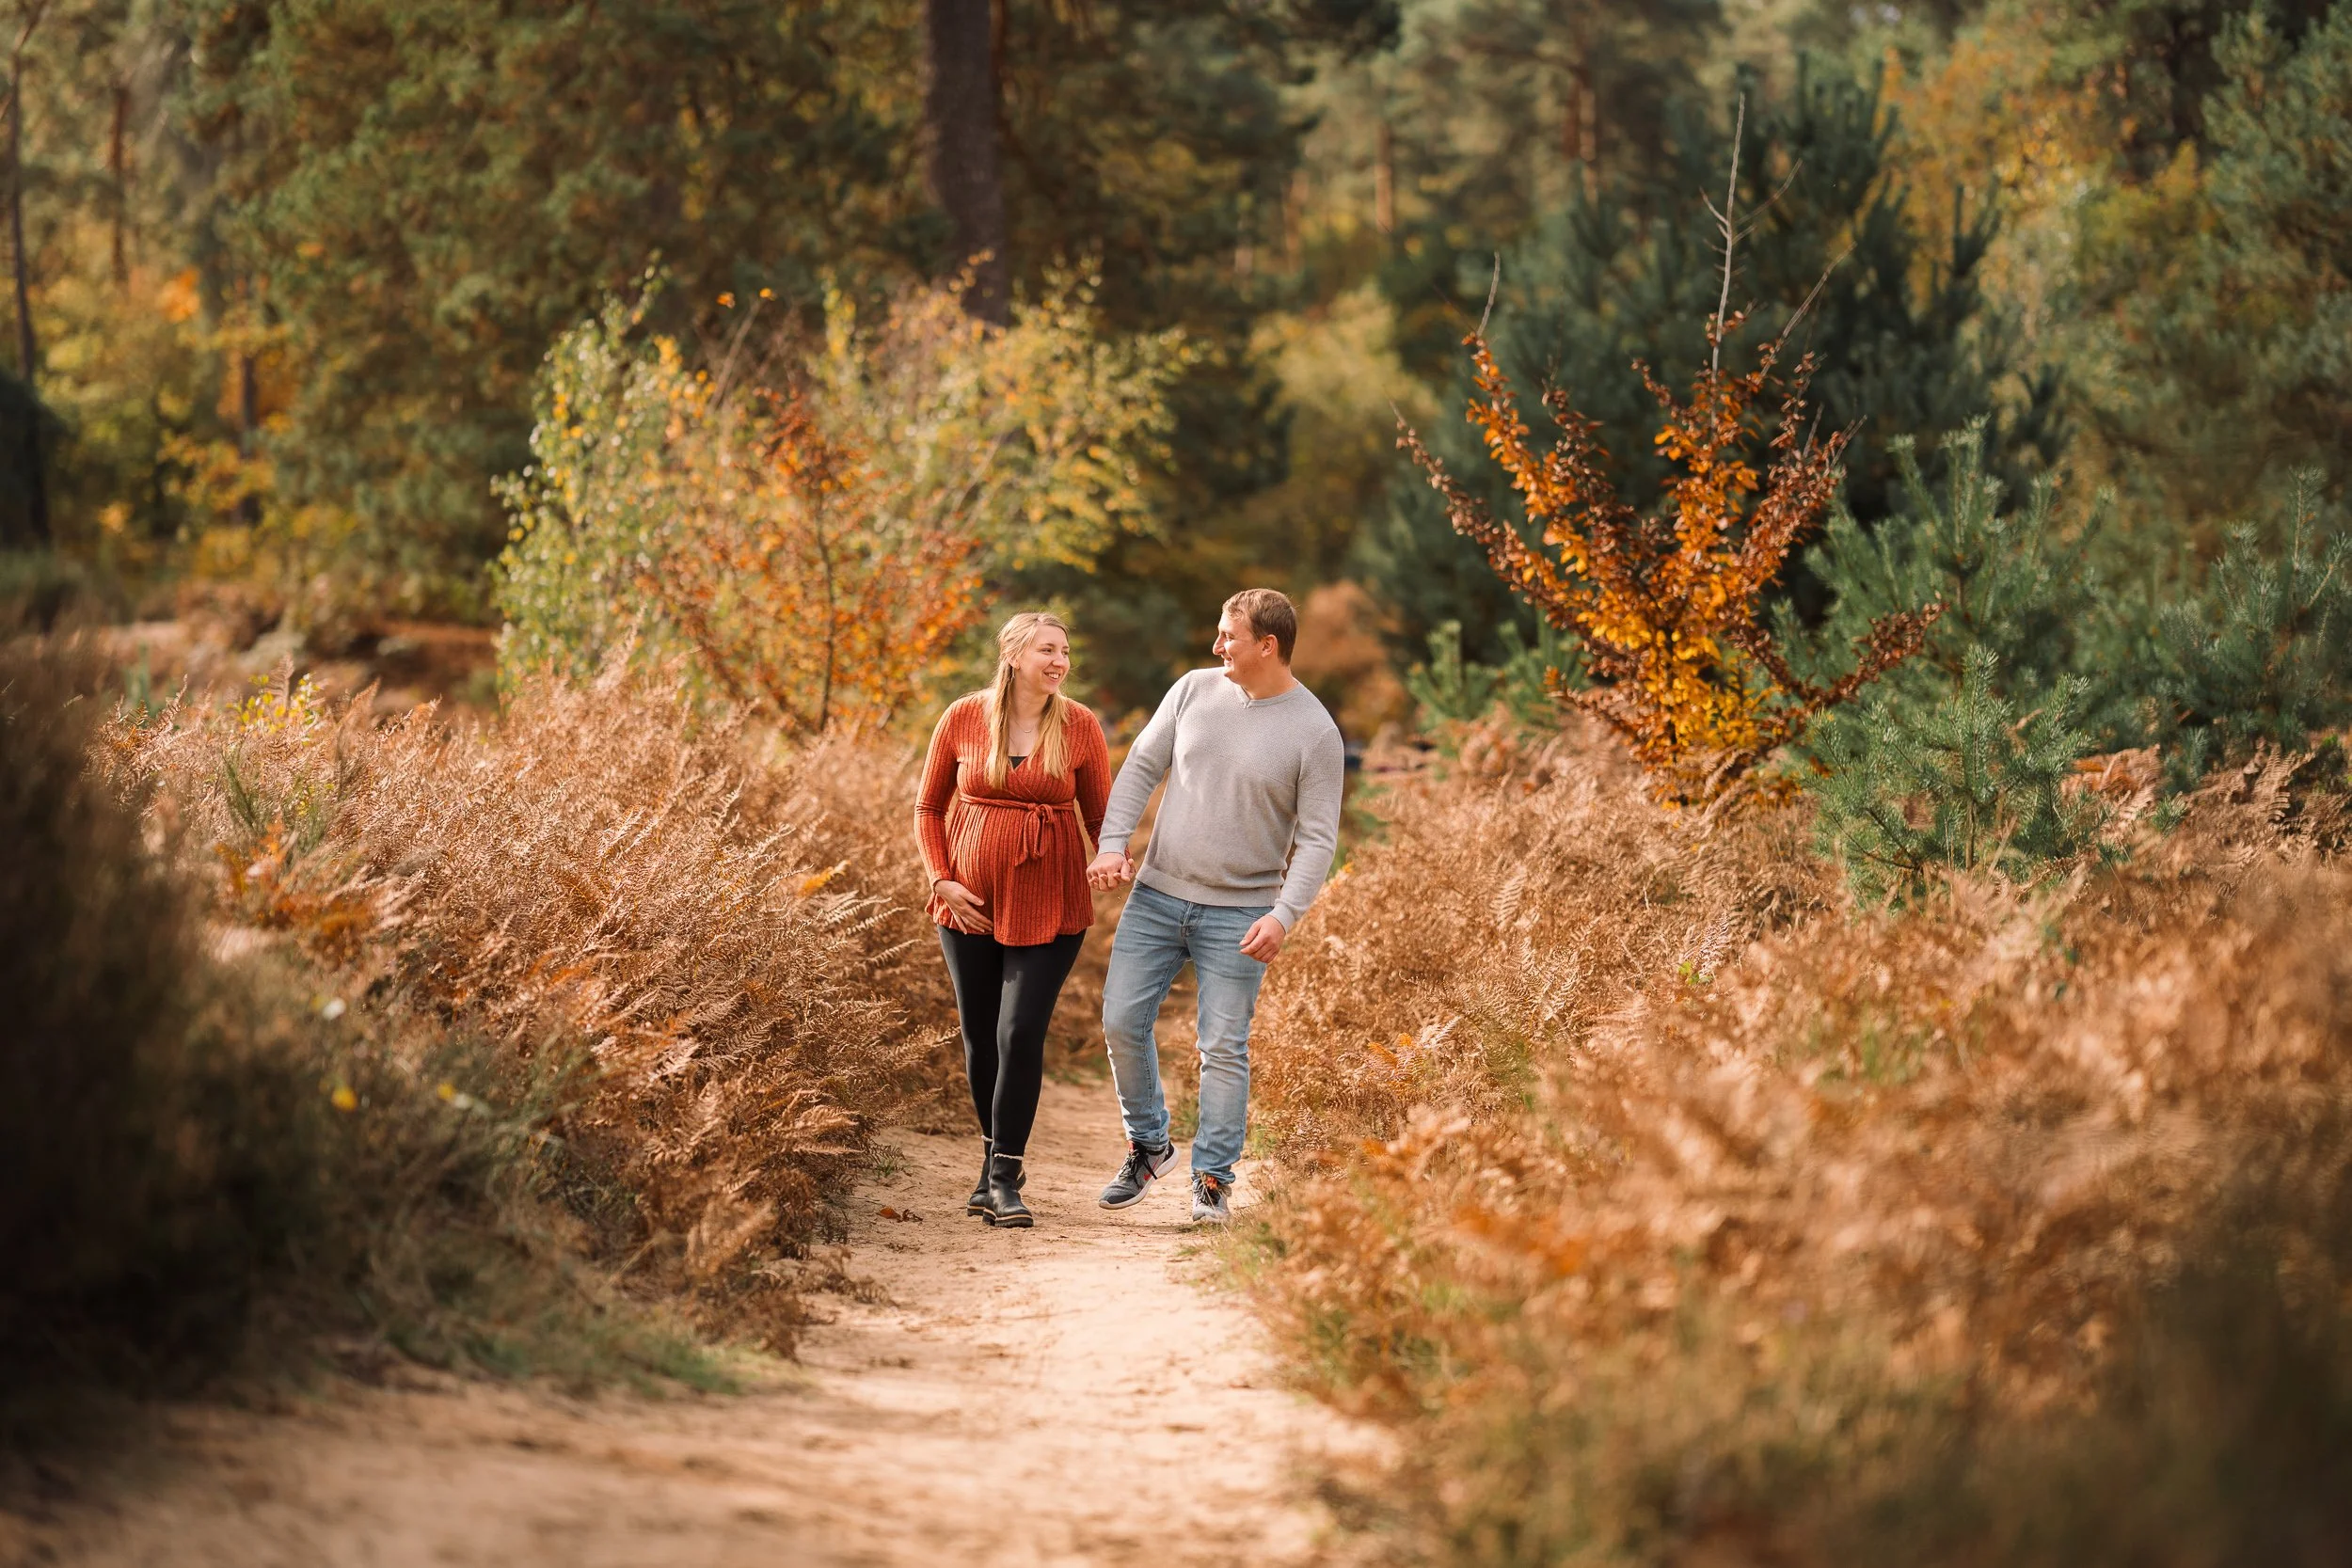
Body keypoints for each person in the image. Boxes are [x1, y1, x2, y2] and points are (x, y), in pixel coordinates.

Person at [1086, 588, 1345, 1224]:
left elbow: (1317, 839)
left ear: (1268, 645)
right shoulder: (1192, 690)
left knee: (1222, 1047)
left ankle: (1212, 1179)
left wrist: (1283, 915)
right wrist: (1113, 843)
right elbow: (1142, 765)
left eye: (1228, 635)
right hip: (1156, 893)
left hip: (1240, 913)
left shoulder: (1315, 731)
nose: (1215, 645)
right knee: (1121, 1021)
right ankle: (1149, 1144)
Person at [915, 612, 1111, 1227]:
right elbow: (928, 806)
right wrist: (940, 876)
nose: (1061, 661)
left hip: (1051, 902)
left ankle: (1004, 1178)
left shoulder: (1079, 725)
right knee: (980, 1036)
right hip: (968, 902)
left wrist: (1112, 856)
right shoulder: (964, 717)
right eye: (1048, 649)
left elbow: (1101, 817)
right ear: (1013, 655)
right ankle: (990, 1159)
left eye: (1066, 651)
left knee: (1019, 1031)